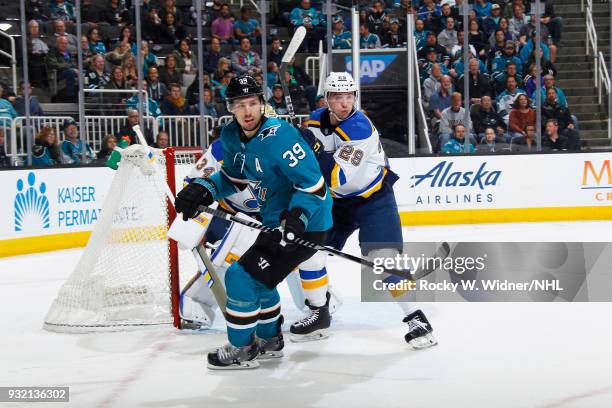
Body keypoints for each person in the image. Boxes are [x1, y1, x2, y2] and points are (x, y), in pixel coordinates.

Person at [175, 74, 332, 369]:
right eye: (240, 105)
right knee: (261, 281)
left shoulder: (281, 137)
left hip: (308, 225)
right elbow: (232, 179)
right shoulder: (231, 137)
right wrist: (203, 189)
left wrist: (296, 218)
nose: (247, 111)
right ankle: (270, 340)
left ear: (262, 104)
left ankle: (241, 348)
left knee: (239, 278)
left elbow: (314, 186)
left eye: (252, 103)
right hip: (276, 223)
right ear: (230, 108)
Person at [296, 72, 437, 348]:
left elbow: (337, 176)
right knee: (307, 249)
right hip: (337, 203)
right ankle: (319, 310)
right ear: (326, 100)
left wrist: (314, 153)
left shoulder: (360, 129)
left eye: (349, 97)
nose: (345, 104)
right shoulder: (315, 121)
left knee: (385, 260)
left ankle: (416, 318)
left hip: (373, 199)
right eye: (337, 98)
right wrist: (300, 144)